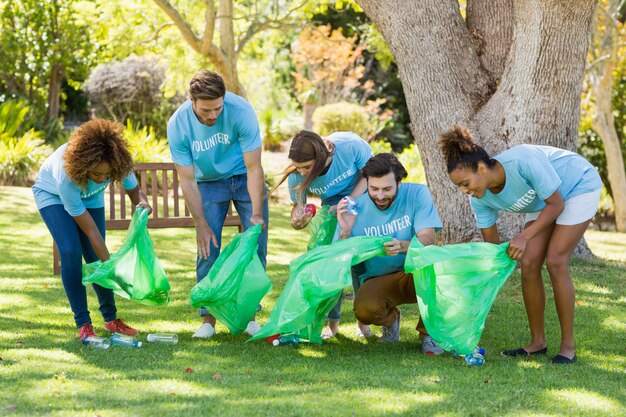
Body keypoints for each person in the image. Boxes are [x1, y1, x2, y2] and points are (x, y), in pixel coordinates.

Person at [439, 126, 602, 364]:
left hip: (577, 185)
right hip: (544, 201)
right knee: (528, 262)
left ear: (481, 169)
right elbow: (492, 246)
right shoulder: (480, 199)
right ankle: (537, 343)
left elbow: (556, 204)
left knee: (556, 260)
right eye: (460, 187)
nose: (465, 191)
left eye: (465, 183)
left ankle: (567, 347)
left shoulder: (522, 160)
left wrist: (523, 237)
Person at [167, 69, 268, 339]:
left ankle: (250, 317)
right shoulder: (178, 125)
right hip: (208, 182)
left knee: (254, 248)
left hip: (244, 176)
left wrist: (256, 213)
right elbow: (187, 180)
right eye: (206, 110)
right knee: (207, 249)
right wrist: (200, 223)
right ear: (192, 101)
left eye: (218, 108)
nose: (213, 115)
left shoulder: (241, 111)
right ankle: (208, 321)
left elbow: (255, 168)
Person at [32, 119, 151, 340]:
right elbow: (91, 232)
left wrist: (142, 203)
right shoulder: (67, 177)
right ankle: (84, 324)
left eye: (107, 175)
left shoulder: (117, 164)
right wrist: (112, 268)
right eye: (96, 174)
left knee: (95, 255)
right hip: (52, 196)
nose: (102, 179)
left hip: (90, 198)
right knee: (70, 251)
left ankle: (111, 319)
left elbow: (135, 192)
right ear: (84, 165)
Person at [335, 153, 444, 355]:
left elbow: (428, 238)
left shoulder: (417, 194)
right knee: (365, 310)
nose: (380, 196)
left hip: (415, 272)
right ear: (366, 182)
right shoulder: (354, 208)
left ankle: (429, 334)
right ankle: (391, 319)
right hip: (379, 278)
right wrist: (345, 232)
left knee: (438, 269)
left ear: (399, 183)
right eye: (374, 189)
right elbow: (341, 261)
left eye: (387, 189)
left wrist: (402, 246)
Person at [271, 130, 373, 339]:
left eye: (307, 167)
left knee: (360, 263)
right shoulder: (297, 175)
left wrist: (348, 202)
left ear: (321, 157)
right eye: (299, 168)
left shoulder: (350, 146)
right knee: (331, 263)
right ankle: (332, 324)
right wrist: (297, 219)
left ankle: (363, 323)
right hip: (331, 208)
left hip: (361, 198)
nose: (303, 173)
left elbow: (369, 175)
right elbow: (298, 207)